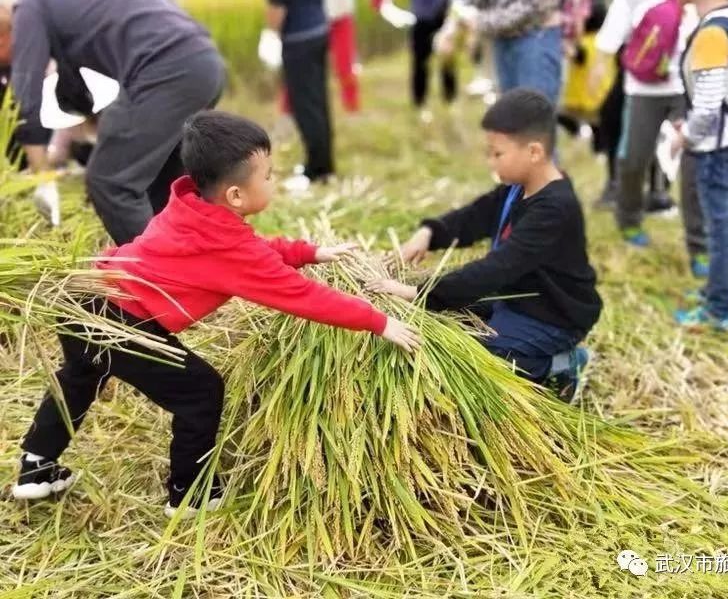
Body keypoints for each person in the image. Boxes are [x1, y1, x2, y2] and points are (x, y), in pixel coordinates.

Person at [12, 111, 421, 514]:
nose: (274, 180)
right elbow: (301, 295)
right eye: (269, 175)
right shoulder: (227, 245)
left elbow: (252, 252)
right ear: (236, 196)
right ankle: (191, 493)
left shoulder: (189, 206)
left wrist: (310, 252)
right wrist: (377, 321)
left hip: (85, 298)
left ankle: (36, 466)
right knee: (200, 390)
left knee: (81, 376)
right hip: (123, 323)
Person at [367, 90, 602, 401]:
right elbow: (475, 215)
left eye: (497, 154)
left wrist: (421, 293)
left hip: (553, 314)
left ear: (533, 152)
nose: (490, 162)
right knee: (454, 319)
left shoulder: (554, 209)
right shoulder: (519, 186)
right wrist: (429, 233)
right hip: (516, 297)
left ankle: (560, 363)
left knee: (481, 357)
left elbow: (497, 267)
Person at [4, 0, 226, 245]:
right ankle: (200, 262)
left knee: (111, 182)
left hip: (166, 70)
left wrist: (42, 177)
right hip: (205, 63)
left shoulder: (29, 9)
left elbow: (25, 94)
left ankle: (160, 273)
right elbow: (75, 90)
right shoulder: (68, 9)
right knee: (164, 187)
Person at [592, 0, 708, 279]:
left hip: (686, 88)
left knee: (693, 166)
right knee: (633, 158)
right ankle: (629, 219)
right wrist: (598, 67)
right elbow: (609, 37)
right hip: (643, 90)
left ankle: (700, 246)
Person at [674, 0, 728, 331]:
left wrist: (685, 137)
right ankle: (714, 294)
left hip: (716, 152)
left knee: (721, 235)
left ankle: (718, 312)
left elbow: (707, 107)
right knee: (722, 231)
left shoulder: (712, 34)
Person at [268, 0, 335, 188]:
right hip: (319, 31)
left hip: (298, 39)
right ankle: (325, 166)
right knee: (319, 103)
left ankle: (317, 171)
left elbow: (277, 7)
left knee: (306, 107)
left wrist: (271, 34)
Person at [464, 0, 564, 104]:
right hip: (503, 35)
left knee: (533, 113)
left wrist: (481, 22)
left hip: (534, 33)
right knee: (513, 114)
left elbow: (534, 7)